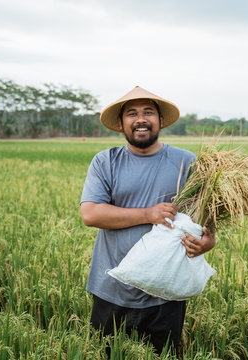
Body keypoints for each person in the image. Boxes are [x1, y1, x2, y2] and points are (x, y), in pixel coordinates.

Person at [80, 85, 216, 355]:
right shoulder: (105, 161)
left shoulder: (186, 162)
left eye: (148, 112)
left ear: (160, 120)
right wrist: (148, 213)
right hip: (111, 289)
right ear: (121, 123)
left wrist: (207, 243)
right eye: (131, 113)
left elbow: (205, 219)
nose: (140, 119)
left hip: (165, 292)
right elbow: (90, 213)